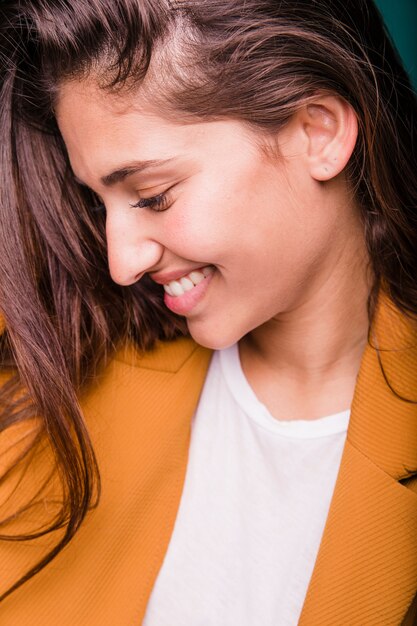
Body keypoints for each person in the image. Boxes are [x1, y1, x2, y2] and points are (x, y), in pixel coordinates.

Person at [0, 0, 416, 624]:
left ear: (318, 132)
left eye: (153, 196)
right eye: (98, 203)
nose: (122, 264)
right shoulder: (54, 362)